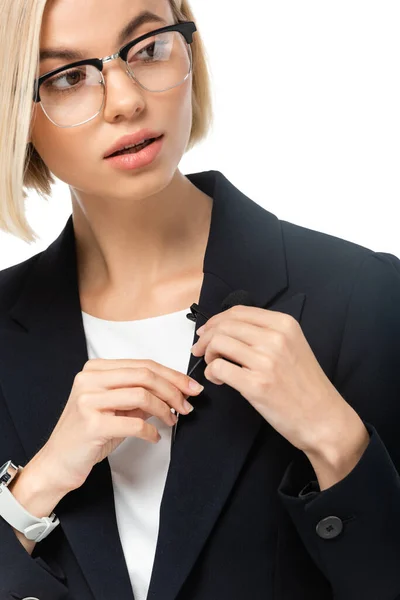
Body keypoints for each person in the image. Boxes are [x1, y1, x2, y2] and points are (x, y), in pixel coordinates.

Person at [0, 0, 399, 599]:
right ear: (16, 113)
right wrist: (36, 489)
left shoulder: (363, 297)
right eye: (68, 77)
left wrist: (337, 442)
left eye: (148, 47)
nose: (126, 100)